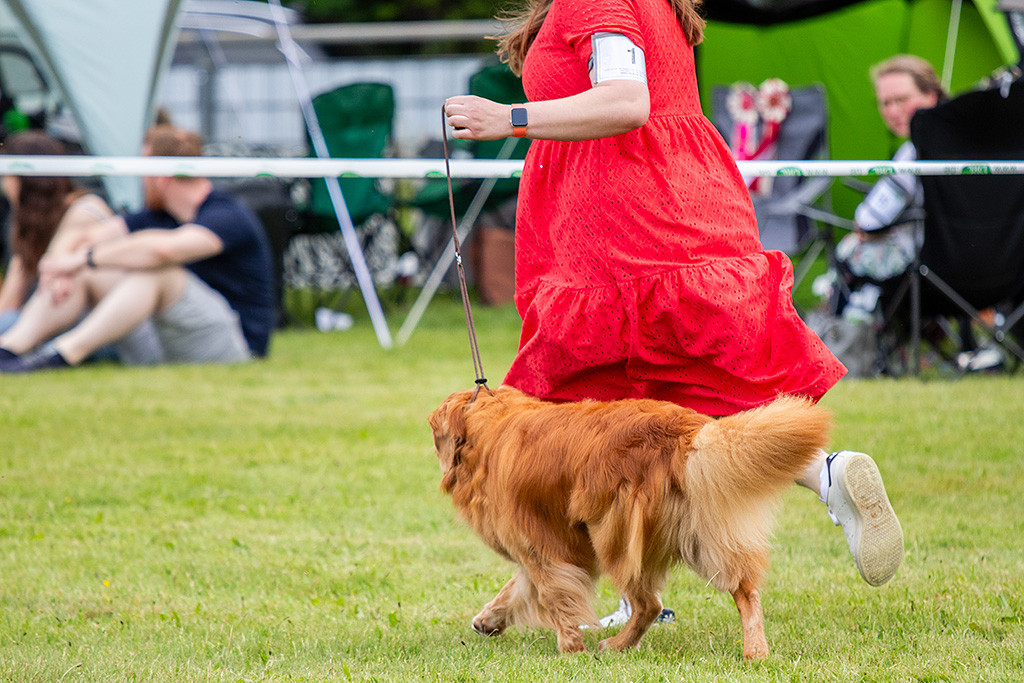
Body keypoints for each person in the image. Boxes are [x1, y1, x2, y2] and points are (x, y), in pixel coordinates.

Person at [444, 0, 903, 624]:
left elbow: (626, 101)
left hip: (622, 209)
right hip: (673, 192)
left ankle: (602, 586)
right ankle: (823, 476)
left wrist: (509, 118)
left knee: (575, 414)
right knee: (664, 397)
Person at [0, 124, 276, 372]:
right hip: (166, 340)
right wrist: (62, 265)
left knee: (158, 271)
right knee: (86, 270)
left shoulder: (227, 214)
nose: (140, 179)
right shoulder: (157, 214)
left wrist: (83, 259)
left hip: (233, 345)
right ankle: (9, 349)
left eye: (143, 170)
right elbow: (88, 237)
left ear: (162, 177)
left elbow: (163, 251)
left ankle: (59, 355)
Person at [0, 131, 115, 334]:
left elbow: (50, 283)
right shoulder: (31, 222)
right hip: (55, 319)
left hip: (90, 325)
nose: (4, 184)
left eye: (7, 175)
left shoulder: (83, 210)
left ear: (26, 179)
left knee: (10, 323)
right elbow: (12, 297)